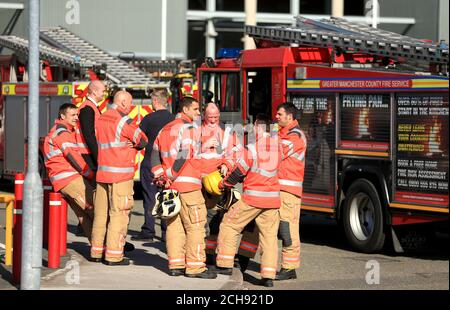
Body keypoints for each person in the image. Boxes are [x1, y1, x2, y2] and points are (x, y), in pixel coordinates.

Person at [151, 96, 216, 279]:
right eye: (195, 109)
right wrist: (171, 174)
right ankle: (195, 267)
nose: (198, 113)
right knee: (196, 226)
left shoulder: (165, 129)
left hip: (170, 188)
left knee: (174, 227)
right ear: (185, 110)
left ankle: (176, 265)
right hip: (188, 187)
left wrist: (161, 176)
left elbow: (154, 154)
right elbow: (185, 153)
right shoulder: (189, 128)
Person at [215, 116, 282, 287]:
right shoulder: (278, 147)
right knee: (269, 237)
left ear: (259, 127)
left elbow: (239, 171)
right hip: (272, 199)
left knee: (229, 225)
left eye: (253, 127)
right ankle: (268, 276)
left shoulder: (252, 148)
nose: (251, 129)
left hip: (253, 198)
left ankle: (225, 265)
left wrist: (225, 183)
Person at [90, 91, 148, 265]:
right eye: (129, 104)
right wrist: (135, 146)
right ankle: (114, 256)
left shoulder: (100, 118)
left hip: (102, 174)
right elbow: (142, 139)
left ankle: (96, 252)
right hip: (120, 174)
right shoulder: (124, 121)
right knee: (119, 215)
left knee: (100, 215)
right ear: (122, 102)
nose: (130, 108)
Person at [44, 103, 95, 240]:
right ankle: (110, 247)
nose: (76, 118)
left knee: (84, 216)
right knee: (97, 211)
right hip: (70, 179)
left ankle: (98, 248)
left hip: (63, 181)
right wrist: (90, 174)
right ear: (62, 116)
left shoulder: (59, 131)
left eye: (77, 115)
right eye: (72, 115)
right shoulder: (63, 133)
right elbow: (74, 157)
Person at [131, 89, 175, 242]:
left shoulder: (149, 119)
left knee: (150, 198)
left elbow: (138, 140)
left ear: (156, 101)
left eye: (151, 100)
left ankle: (148, 231)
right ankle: (165, 232)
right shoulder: (174, 119)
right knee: (166, 197)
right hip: (167, 164)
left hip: (150, 162)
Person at [274, 102, 307, 280]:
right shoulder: (283, 134)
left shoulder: (295, 136)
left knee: (288, 227)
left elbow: (276, 152)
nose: (277, 117)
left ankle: (289, 267)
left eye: (280, 114)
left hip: (289, 190)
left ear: (290, 116)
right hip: (279, 188)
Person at [76, 80, 106, 171]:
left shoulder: (91, 107)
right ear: (94, 92)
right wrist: (98, 157)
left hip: (89, 154)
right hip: (88, 155)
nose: (104, 94)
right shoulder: (87, 109)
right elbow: (89, 135)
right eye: (103, 91)